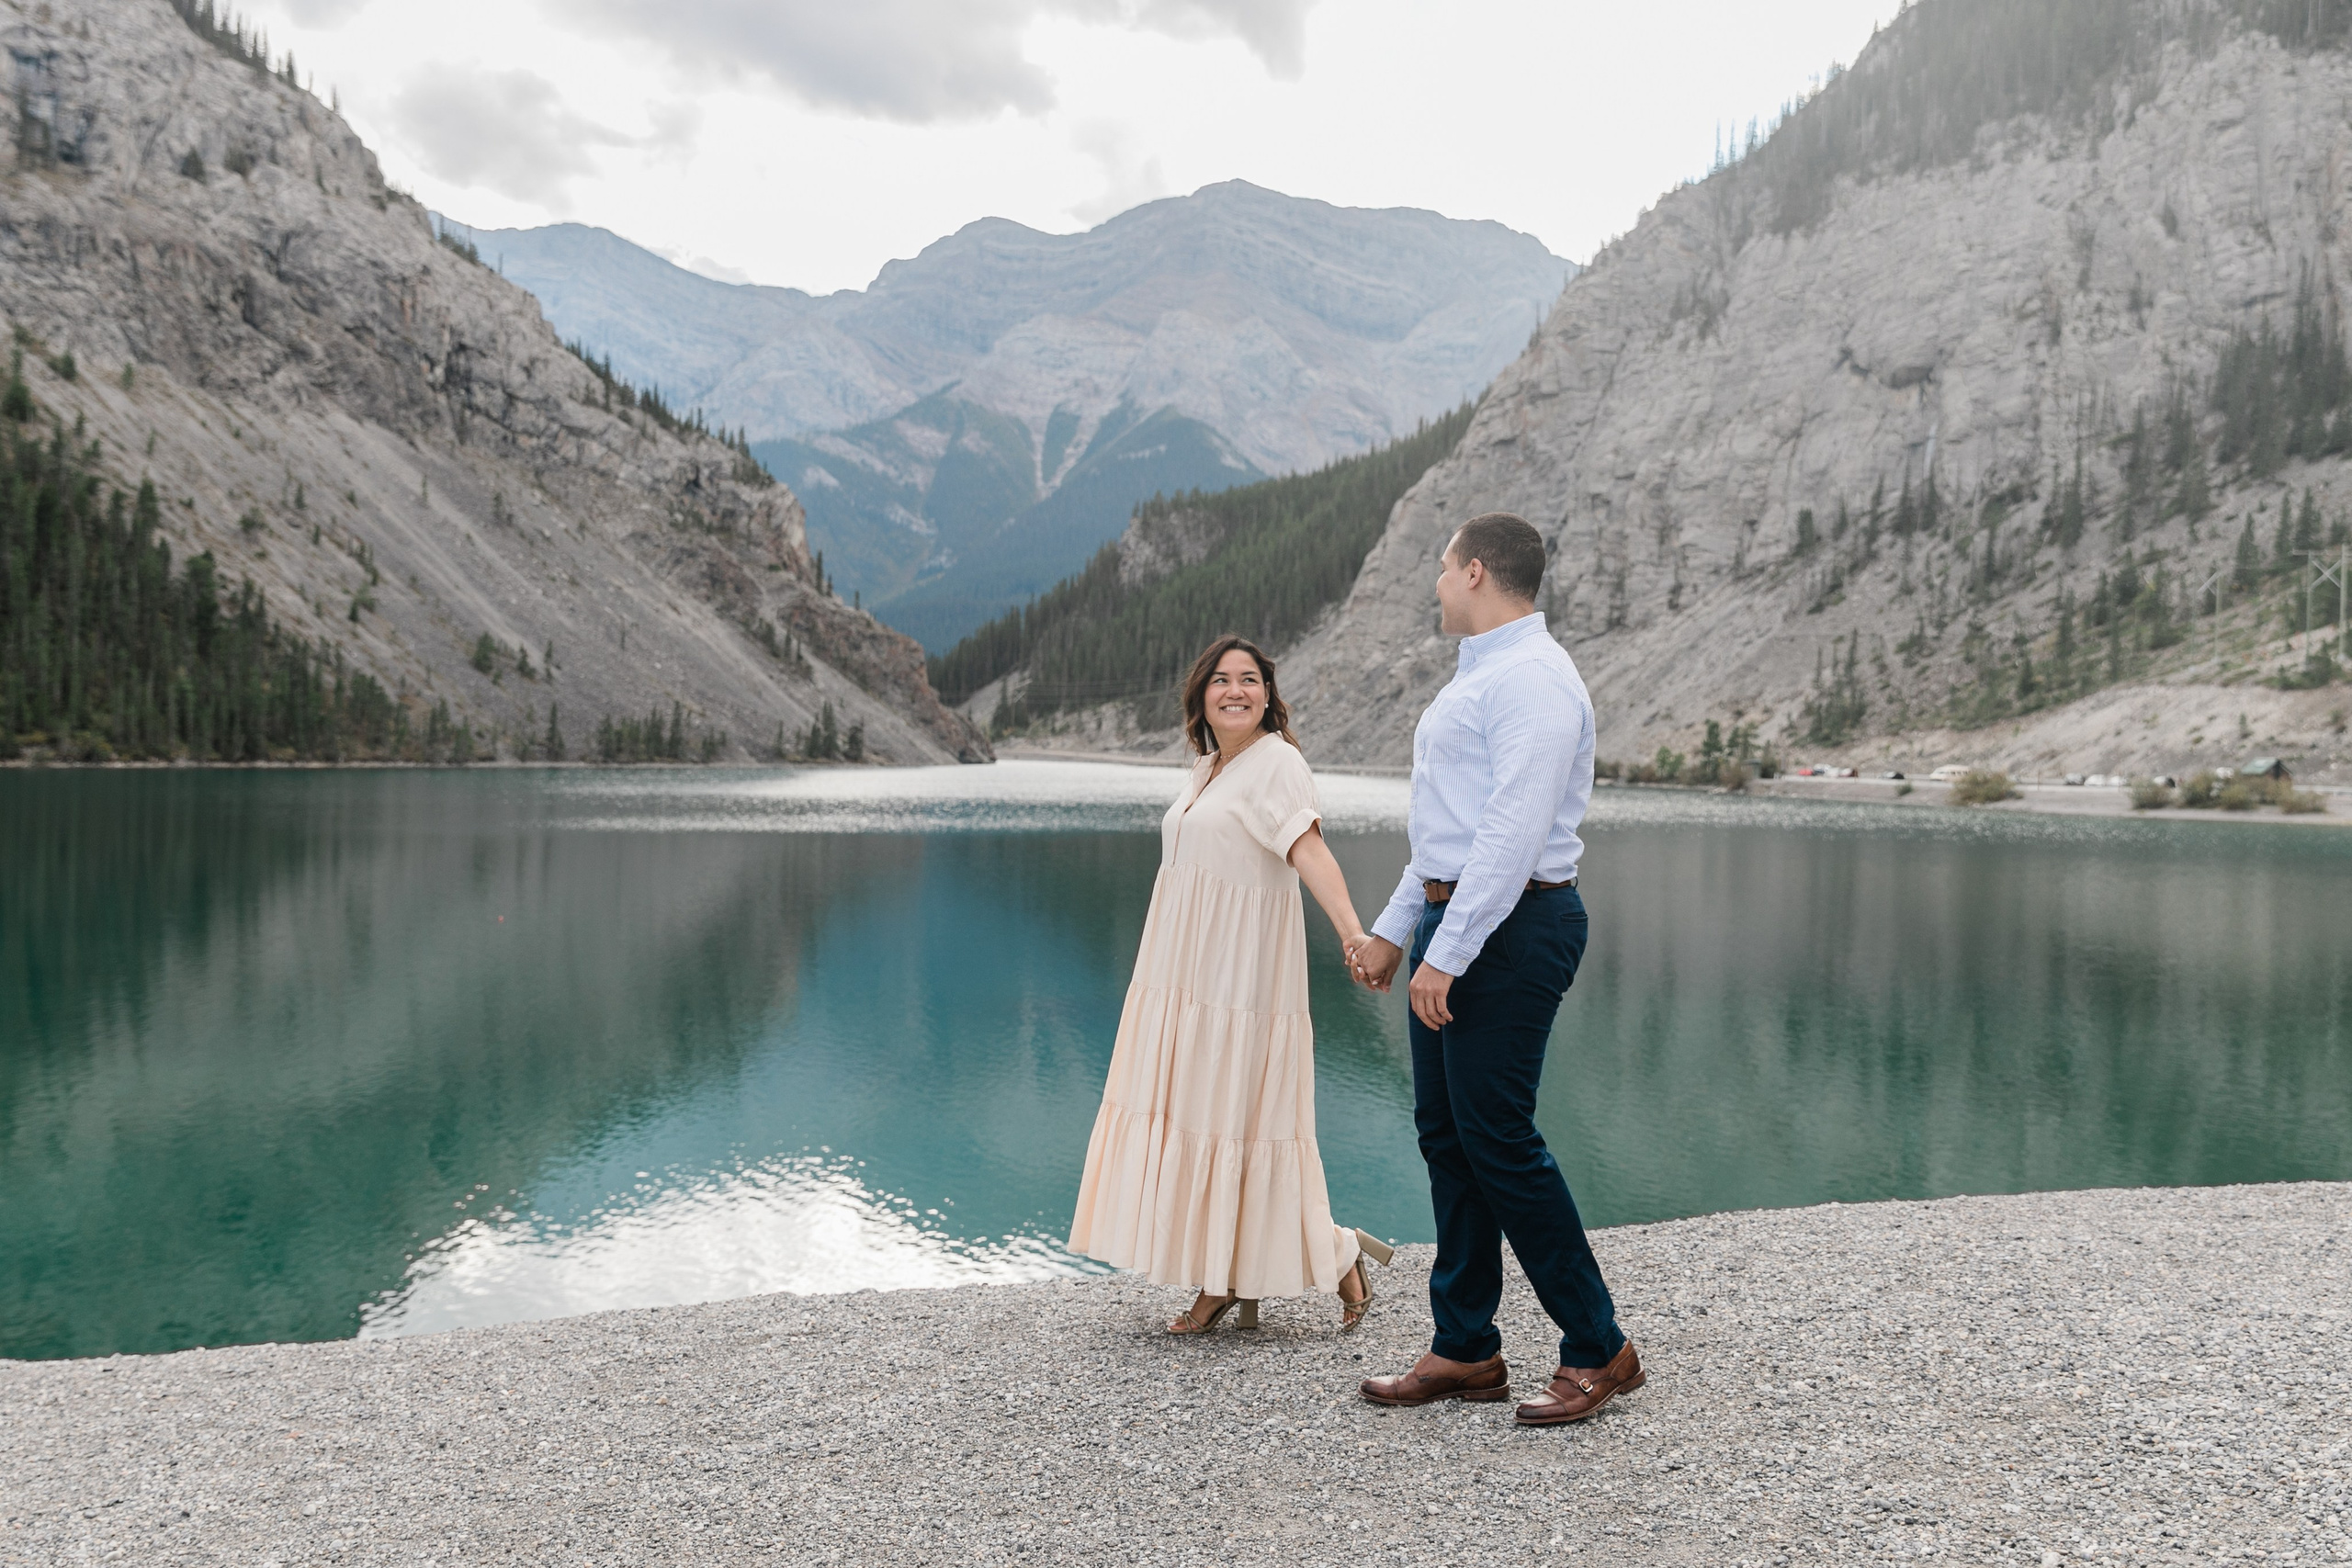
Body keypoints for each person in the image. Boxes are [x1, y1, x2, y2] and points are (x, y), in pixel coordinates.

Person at [1348, 512, 1642, 1426]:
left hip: (1513, 928)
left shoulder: (1536, 682)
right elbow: (1448, 833)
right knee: (1448, 1135)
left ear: (1475, 572)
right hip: (1463, 917)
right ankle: (1466, 1348)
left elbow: (1513, 838)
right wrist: (1401, 930)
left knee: (1499, 1139)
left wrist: (1451, 951)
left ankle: (1600, 1349)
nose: (1434, 584)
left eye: (1442, 568)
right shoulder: (1480, 676)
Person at [1069, 634, 1395, 1334]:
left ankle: (1331, 1252)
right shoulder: (1207, 766)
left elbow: (1308, 848)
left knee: (1239, 1116)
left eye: (1251, 679)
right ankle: (1221, 1274)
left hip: (1241, 980)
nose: (1236, 690)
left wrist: (1353, 932)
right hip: (1181, 976)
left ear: (1269, 696)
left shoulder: (1278, 764)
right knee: (1198, 1110)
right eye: (1222, 679)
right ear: (1202, 695)